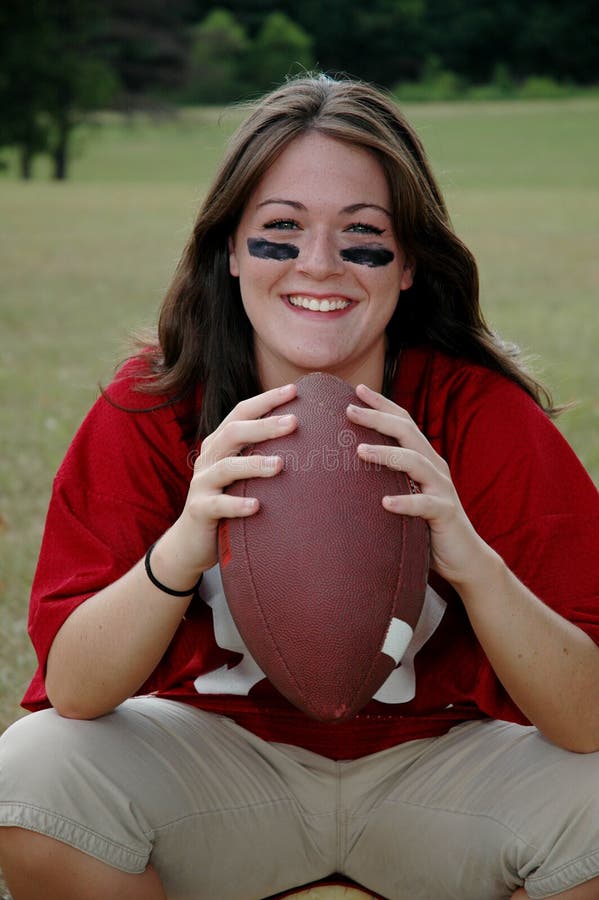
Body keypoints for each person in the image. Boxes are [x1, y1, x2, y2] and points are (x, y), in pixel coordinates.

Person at [0, 74, 598, 900]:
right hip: (223, 767)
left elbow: (587, 720)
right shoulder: (156, 404)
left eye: (362, 237)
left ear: (408, 263)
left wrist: (469, 558)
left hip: (438, 772)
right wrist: (185, 541)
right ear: (232, 249)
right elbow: (73, 691)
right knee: (30, 779)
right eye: (280, 231)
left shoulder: (475, 413)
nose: (319, 265)